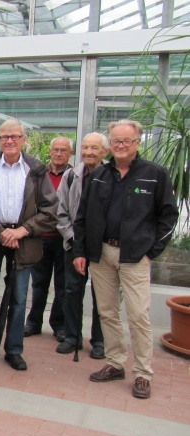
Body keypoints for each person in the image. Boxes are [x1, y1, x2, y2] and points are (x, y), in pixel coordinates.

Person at [73, 119, 178, 399]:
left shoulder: (155, 174)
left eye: (126, 141)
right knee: (106, 312)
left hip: (134, 256)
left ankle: (143, 373)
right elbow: (82, 217)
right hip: (101, 254)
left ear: (136, 143)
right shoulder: (98, 176)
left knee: (138, 316)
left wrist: (151, 251)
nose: (120, 146)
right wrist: (81, 251)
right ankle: (116, 362)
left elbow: (168, 216)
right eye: (116, 141)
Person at [0, 119, 58, 371]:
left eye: (14, 136)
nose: (9, 141)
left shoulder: (36, 169)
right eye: (4, 137)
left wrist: (22, 230)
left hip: (25, 238)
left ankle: (13, 350)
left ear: (24, 139)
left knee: (20, 297)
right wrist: (1, 230)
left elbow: (51, 210)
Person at [56, 133, 108, 359]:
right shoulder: (71, 176)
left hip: (102, 249)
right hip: (73, 244)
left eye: (94, 148)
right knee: (72, 291)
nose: (88, 152)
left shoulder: (112, 177)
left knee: (102, 295)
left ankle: (99, 340)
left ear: (104, 152)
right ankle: (71, 336)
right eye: (85, 148)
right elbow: (61, 212)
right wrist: (73, 240)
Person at [24, 136, 73, 342]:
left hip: (63, 239)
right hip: (41, 237)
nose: (59, 154)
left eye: (63, 150)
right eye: (55, 150)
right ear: (50, 152)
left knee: (62, 285)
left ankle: (59, 324)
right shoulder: (39, 173)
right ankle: (34, 322)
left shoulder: (73, 175)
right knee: (39, 283)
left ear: (70, 153)